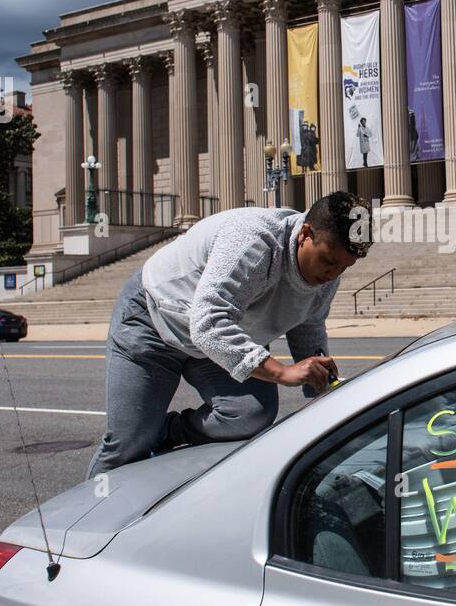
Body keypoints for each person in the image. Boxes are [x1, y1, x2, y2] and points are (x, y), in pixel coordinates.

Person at [86, 192, 369, 478]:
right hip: (154, 319)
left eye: (345, 267)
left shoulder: (327, 276)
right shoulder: (254, 242)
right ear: (305, 234)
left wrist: (323, 387)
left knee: (249, 414)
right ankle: (85, 514)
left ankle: (164, 432)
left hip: (217, 337)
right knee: (128, 444)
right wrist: (282, 372)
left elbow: (308, 324)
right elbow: (208, 323)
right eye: (328, 261)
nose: (333, 274)